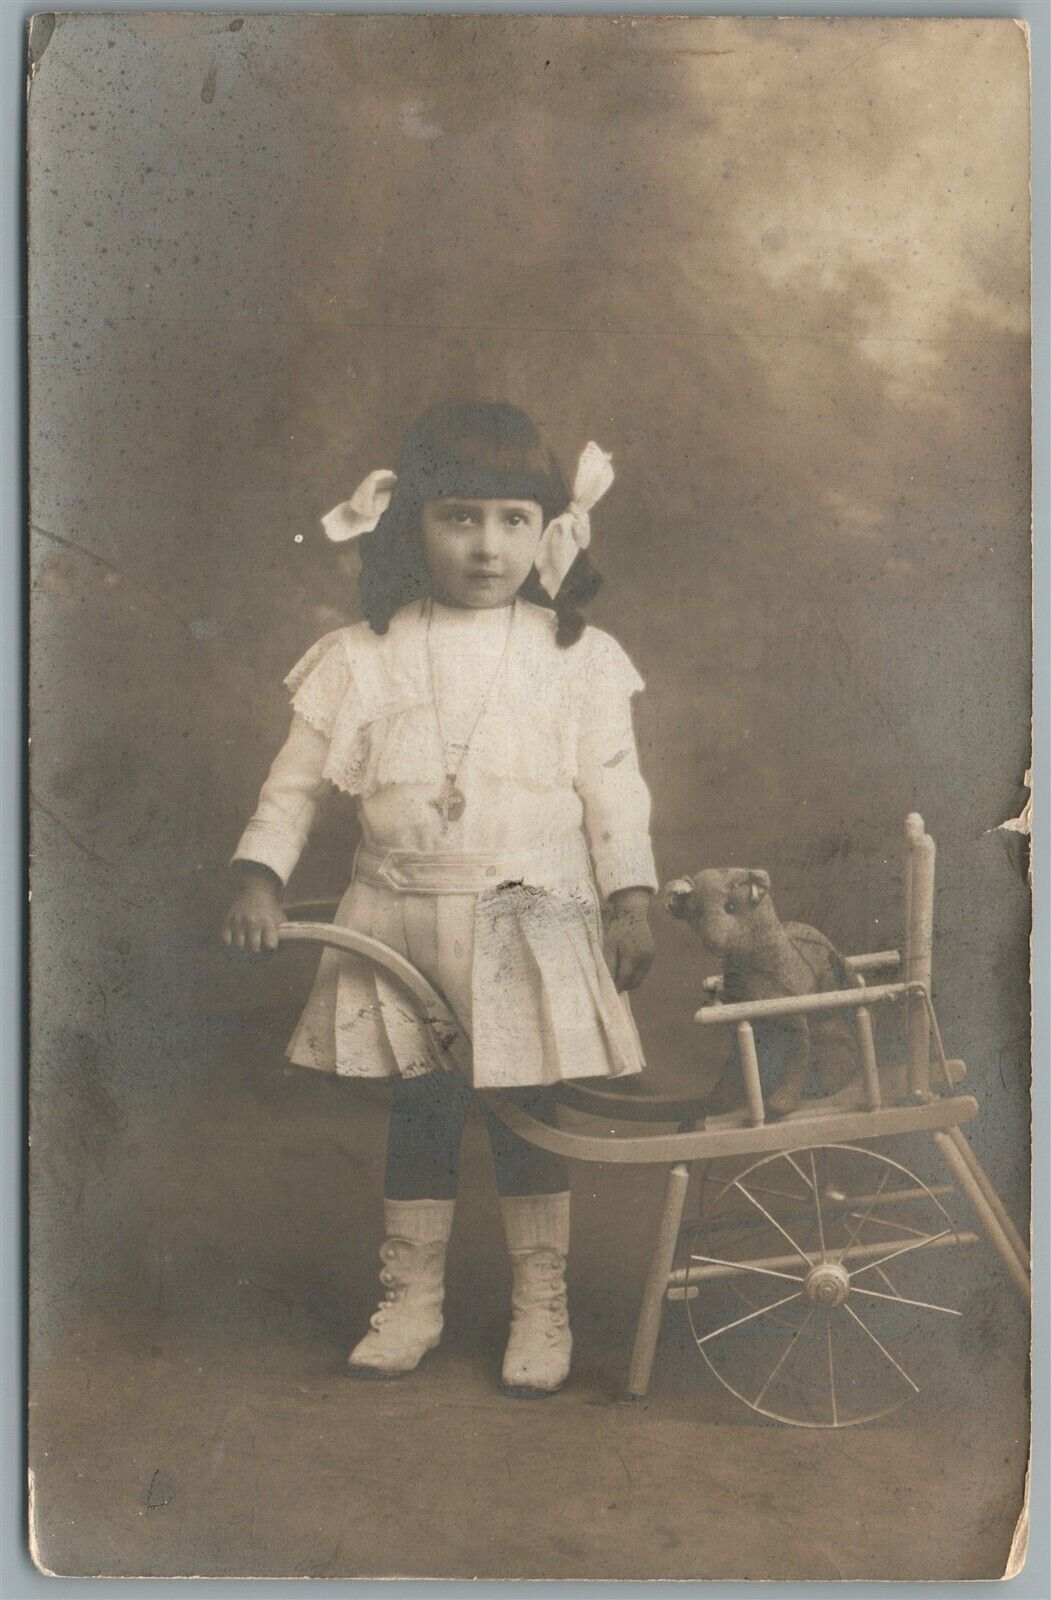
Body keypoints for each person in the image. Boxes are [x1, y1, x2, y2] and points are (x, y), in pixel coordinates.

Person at [223, 401, 657, 1396]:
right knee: (422, 1112)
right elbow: (292, 786)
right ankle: (411, 1300)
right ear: (407, 523)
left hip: (531, 923)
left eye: (513, 519)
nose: (486, 545)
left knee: (526, 1115)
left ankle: (538, 1307)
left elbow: (616, 791)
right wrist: (259, 873)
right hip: (404, 923)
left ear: (547, 530)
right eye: (458, 517)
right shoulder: (362, 654)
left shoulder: (574, 655)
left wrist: (629, 894)